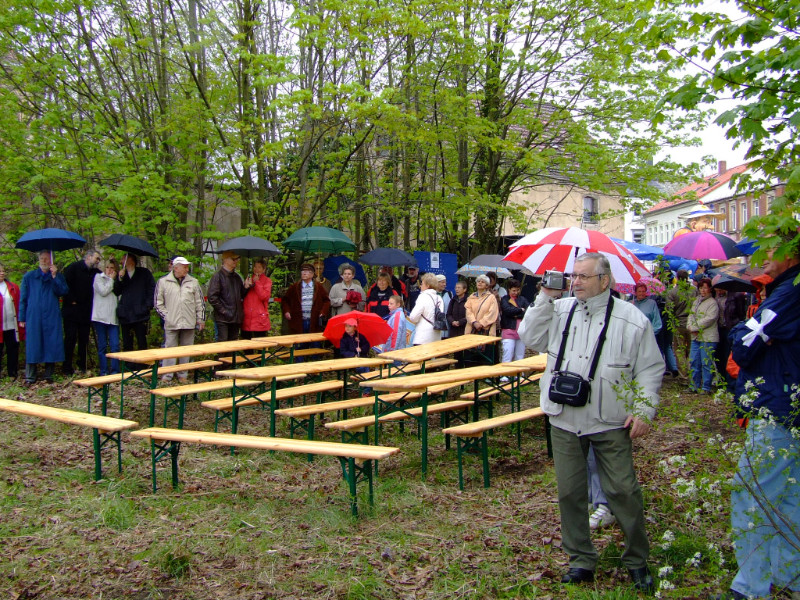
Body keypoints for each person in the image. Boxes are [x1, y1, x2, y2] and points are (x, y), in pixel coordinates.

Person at [518, 252, 663, 592]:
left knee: (623, 491)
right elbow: (530, 338)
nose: (576, 282)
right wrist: (544, 298)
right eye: (573, 276)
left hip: (610, 421)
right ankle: (580, 560)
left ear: (605, 280)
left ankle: (637, 560)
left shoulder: (631, 319)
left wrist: (644, 410)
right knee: (570, 493)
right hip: (564, 418)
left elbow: (650, 369)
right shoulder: (559, 309)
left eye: (583, 276)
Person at [720, 243, 800, 600]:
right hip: (789, 404)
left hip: (778, 407)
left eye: (773, 247)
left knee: (751, 493)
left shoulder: (789, 292)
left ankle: (750, 588)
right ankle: (789, 578)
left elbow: (742, 346)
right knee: (790, 495)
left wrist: (742, 331)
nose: (764, 255)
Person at [19, 250, 70, 385]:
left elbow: (63, 291)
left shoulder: (57, 276)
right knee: (33, 343)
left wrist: (55, 277)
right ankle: (30, 376)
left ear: (51, 261)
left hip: (51, 314)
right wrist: (22, 317)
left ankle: (49, 374)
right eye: (42, 258)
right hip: (34, 315)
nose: (44, 261)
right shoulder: (29, 277)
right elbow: (23, 299)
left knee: (51, 342)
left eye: (47, 259)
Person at [155, 256, 205, 381]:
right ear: (176, 268)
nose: (187, 269)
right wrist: (167, 316)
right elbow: (158, 303)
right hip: (171, 323)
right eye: (184, 267)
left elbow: (200, 302)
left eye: (187, 267)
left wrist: (200, 319)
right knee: (170, 349)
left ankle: (183, 374)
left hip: (189, 322)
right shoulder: (163, 282)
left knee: (186, 349)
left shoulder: (194, 282)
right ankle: (167, 374)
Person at [61, 249, 101, 375]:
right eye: (96, 258)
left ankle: (82, 365)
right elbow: (65, 285)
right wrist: (71, 299)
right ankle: (67, 367)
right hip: (72, 311)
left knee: (83, 340)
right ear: (88, 257)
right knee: (70, 339)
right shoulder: (73, 268)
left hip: (86, 312)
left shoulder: (95, 272)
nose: (97, 261)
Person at [115, 253, 156, 359]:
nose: (121, 261)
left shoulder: (144, 273)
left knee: (141, 341)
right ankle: (129, 367)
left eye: (123, 259)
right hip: (125, 314)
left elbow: (152, 289)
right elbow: (116, 291)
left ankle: (143, 366)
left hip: (140, 313)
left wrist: (148, 305)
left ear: (130, 260)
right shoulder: (121, 275)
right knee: (127, 343)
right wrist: (120, 278)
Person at [687, 277, 719, 394]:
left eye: (705, 288)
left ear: (710, 289)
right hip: (695, 337)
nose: (703, 290)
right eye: (701, 288)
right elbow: (691, 315)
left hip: (708, 337)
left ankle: (706, 387)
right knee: (694, 360)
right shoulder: (696, 301)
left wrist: (695, 327)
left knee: (706, 362)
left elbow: (709, 319)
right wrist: (690, 326)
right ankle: (693, 385)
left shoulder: (712, 303)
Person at [207, 251, 248, 341]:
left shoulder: (237, 277)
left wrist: (246, 287)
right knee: (223, 344)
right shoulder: (217, 276)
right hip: (223, 319)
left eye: (237, 259)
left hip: (235, 318)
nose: (236, 261)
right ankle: (221, 356)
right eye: (233, 259)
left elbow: (241, 295)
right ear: (225, 260)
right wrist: (224, 311)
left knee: (233, 345)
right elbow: (212, 297)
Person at [281, 263, 331, 334]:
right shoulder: (295, 287)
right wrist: (287, 311)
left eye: (307, 271)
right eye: (303, 271)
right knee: (300, 343)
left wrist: (322, 313)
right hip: (298, 322)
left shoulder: (318, 287)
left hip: (314, 321)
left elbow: (326, 301)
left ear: (312, 274)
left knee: (314, 343)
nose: (304, 273)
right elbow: (285, 300)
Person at [91, 258, 120, 376]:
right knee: (102, 345)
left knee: (115, 345)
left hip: (113, 317)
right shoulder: (98, 278)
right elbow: (103, 291)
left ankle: (115, 370)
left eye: (112, 268)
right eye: (107, 267)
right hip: (100, 317)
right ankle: (103, 370)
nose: (109, 270)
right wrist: (111, 281)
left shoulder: (116, 280)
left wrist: (116, 280)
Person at [666, 269, 696, 376]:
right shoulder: (694, 290)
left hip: (679, 324)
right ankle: (692, 373)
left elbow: (669, 309)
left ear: (677, 278)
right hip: (693, 324)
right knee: (692, 349)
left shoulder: (672, 292)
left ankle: (684, 375)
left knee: (679, 351)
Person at [407, 273, 444, 345]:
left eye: (422, 283)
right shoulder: (439, 298)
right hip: (436, 335)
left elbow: (413, 317)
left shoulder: (423, 296)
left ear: (427, 285)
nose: (420, 286)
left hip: (423, 337)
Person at [0, 263, 22, 379]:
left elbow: (19, 303)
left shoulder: (13, 286)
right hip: (0, 326)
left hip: (12, 325)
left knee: (13, 349)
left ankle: (12, 373)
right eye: (0, 271)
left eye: (3, 271)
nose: (2, 273)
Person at [500, 278, 530, 363]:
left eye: (517, 290)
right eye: (513, 290)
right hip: (508, 330)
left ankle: (519, 375)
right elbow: (507, 311)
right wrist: (520, 310)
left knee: (520, 356)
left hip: (520, 331)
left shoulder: (523, 299)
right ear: (509, 289)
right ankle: (505, 375)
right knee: (507, 354)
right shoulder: (504, 299)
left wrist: (516, 313)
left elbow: (528, 311)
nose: (516, 292)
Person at [242, 258, 272, 338]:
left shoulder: (267, 281)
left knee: (261, 342)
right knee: (246, 342)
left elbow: (264, 296)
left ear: (264, 269)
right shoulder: (249, 279)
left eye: (259, 267)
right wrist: (246, 287)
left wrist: (257, 283)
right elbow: (241, 296)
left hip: (259, 317)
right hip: (247, 316)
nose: (256, 269)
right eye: (255, 267)